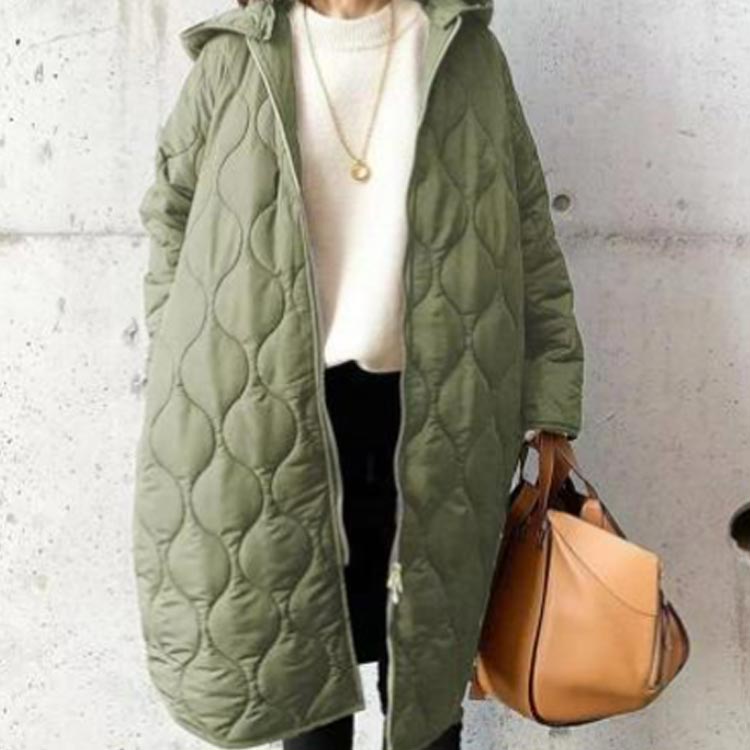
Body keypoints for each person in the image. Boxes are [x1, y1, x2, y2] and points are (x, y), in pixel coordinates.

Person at [131, 0, 584, 749]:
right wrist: (185, 359)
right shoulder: (235, 59)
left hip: (442, 406)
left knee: (428, 682)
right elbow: (172, 214)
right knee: (301, 676)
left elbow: (529, 229)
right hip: (272, 412)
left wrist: (552, 399)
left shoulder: (463, 52)